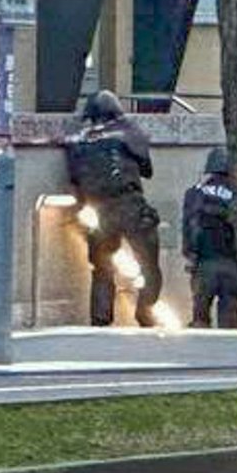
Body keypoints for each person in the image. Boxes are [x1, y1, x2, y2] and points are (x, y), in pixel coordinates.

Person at [64, 90, 163, 328]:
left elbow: (75, 177)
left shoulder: (78, 140)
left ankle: (100, 318)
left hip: (98, 209)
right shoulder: (127, 132)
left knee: (102, 266)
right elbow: (147, 168)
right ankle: (145, 312)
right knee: (149, 264)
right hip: (129, 203)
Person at [182, 146, 237, 329]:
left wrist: (190, 254)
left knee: (200, 318)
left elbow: (189, 226)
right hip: (233, 264)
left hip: (204, 263)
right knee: (230, 318)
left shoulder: (195, 192)